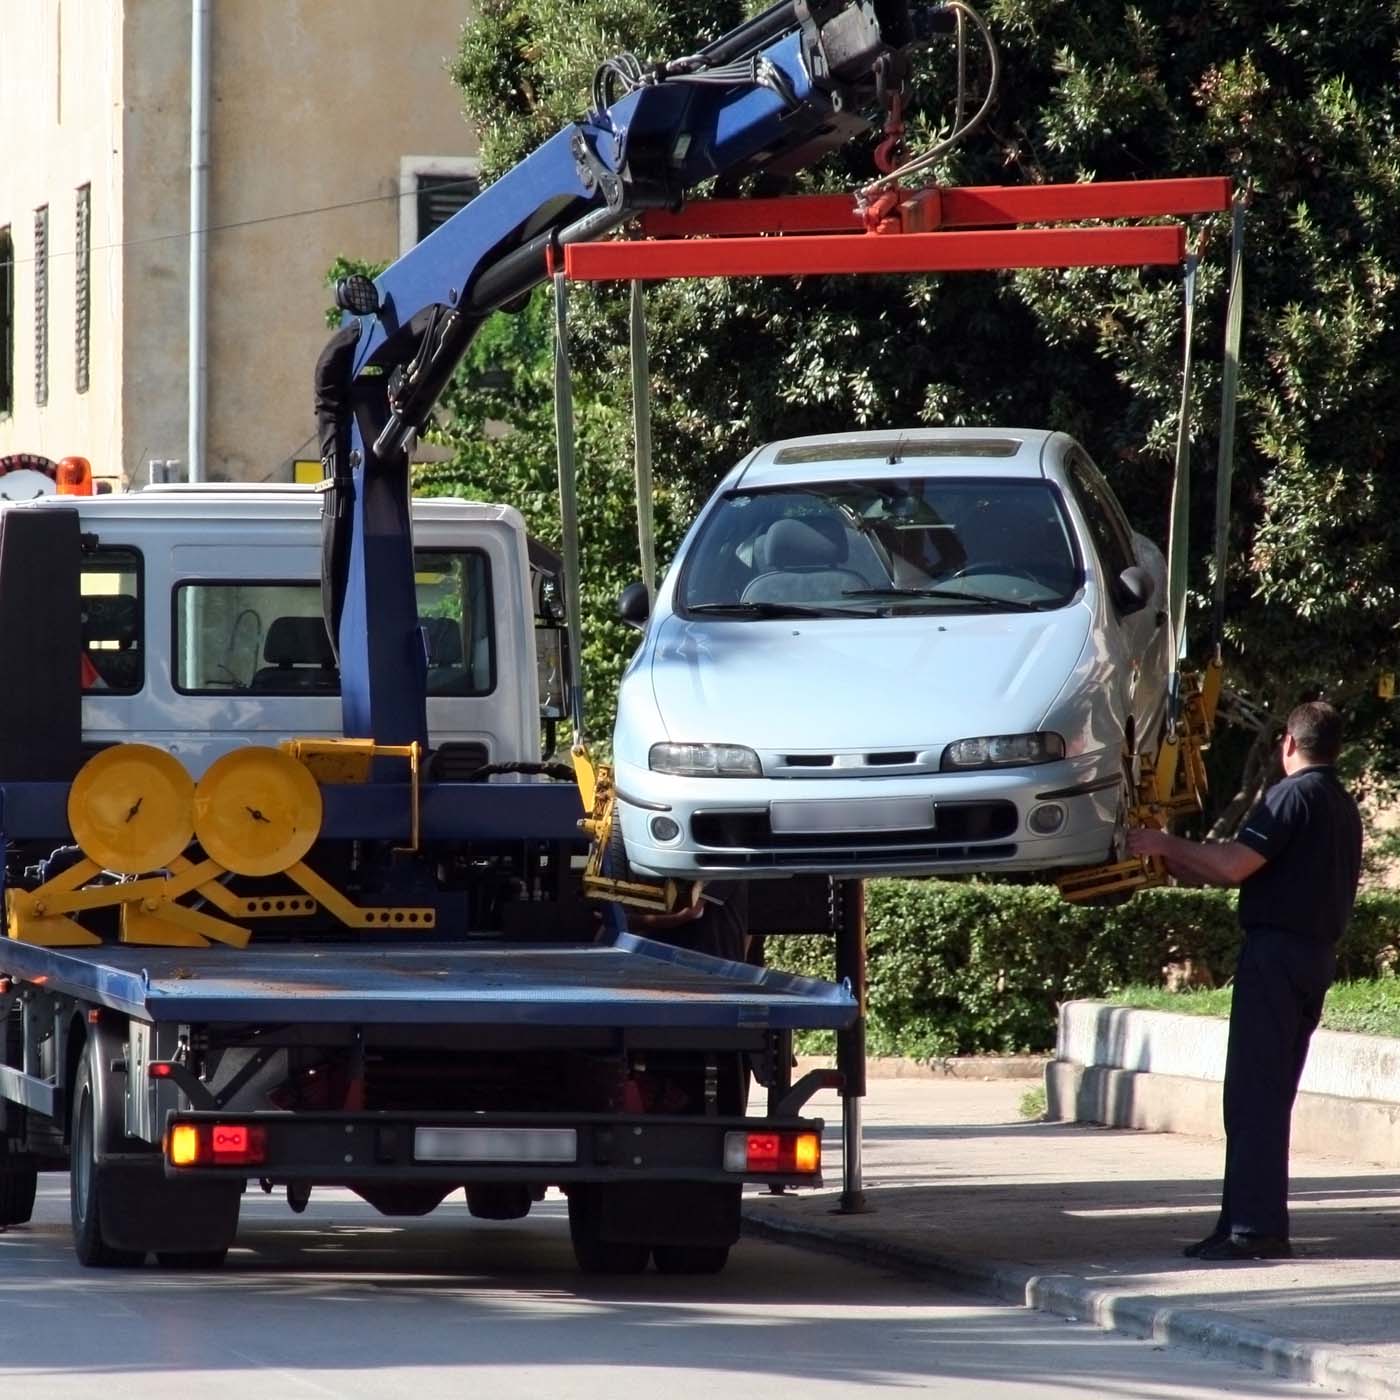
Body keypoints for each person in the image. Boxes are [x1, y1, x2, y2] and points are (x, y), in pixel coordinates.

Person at [1126, 700, 1362, 1262]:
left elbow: (1233, 864)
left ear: (1287, 743)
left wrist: (1162, 845)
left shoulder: (1292, 795)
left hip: (1276, 956)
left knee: (1254, 1095)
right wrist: (1178, 861)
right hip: (1312, 957)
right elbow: (1230, 870)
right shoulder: (1340, 803)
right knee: (1264, 1094)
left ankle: (1254, 1230)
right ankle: (1238, 1221)